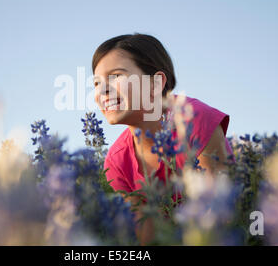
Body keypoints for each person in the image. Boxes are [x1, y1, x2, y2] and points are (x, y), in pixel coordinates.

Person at [92, 33, 234, 245]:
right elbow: (146, 240)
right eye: (96, 83)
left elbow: (219, 213)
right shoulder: (116, 160)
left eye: (115, 77)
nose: (102, 90)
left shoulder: (193, 118)